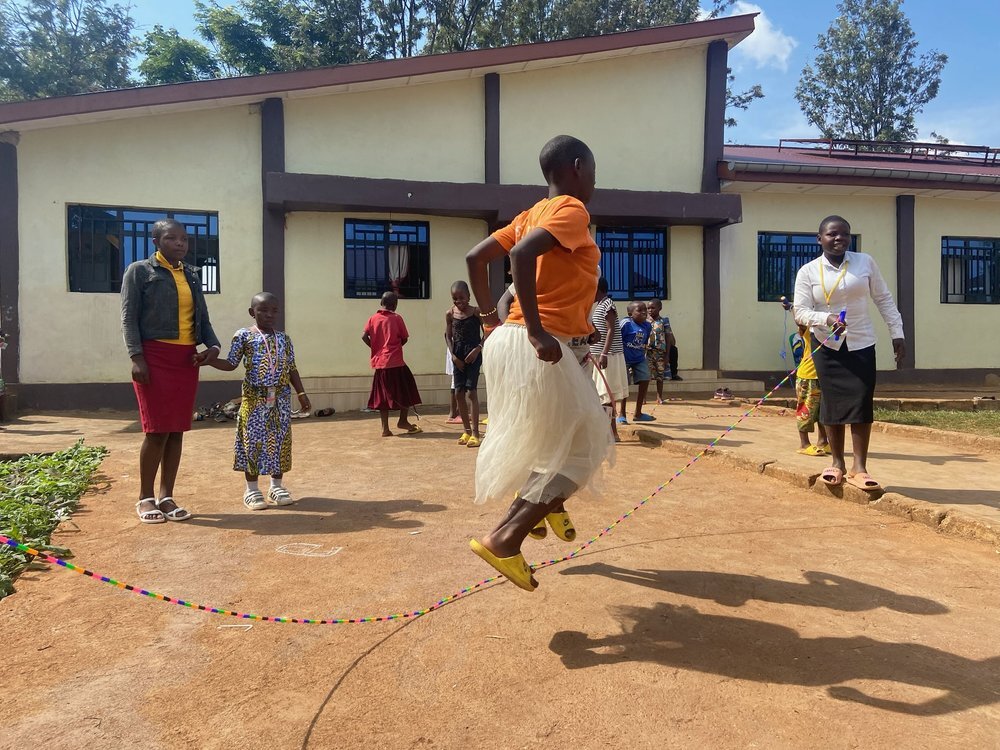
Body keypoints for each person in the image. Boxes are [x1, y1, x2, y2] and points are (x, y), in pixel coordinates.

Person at [464, 134, 613, 592]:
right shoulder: (571, 209)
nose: (593, 180)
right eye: (592, 169)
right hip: (537, 341)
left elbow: (476, 258)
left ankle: (535, 514)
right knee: (590, 443)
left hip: (510, 340)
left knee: (556, 439)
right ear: (575, 166)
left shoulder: (529, 214)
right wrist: (534, 328)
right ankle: (505, 538)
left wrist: (491, 318)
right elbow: (520, 255)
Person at [793, 215, 905, 491]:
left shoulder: (864, 262)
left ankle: (860, 467)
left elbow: (883, 298)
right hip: (827, 346)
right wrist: (826, 319)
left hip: (861, 342)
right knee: (831, 403)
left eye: (844, 234)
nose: (838, 238)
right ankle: (837, 463)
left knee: (861, 400)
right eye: (831, 234)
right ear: (819, 239)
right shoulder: (808, 271)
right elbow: (801, 311)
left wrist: (897, 332)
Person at [121, 218, 221, 524]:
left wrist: (212, 347)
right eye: (171, 238)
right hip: (154, 357)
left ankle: (166, 496)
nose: (180, 243)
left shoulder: (191, 274)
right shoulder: (139, 271)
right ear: (156, 242)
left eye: (184, 239)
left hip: (185, 359)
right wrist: (137, 357)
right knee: (156, 430)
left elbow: (201, 315)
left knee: (176, 429)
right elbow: (129, 318)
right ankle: (145, 498)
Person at [203, 293, 310, 510]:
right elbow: (231, 363)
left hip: (280, 399)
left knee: (279, 441)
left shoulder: (284, 339)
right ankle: (251, 490)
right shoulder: (243, 336)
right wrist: (210, 362)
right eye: (263, 310)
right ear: (252, 313)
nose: (269, 314)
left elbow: (291, 368)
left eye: (274, 310)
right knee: (253, 442)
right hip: (254, 399)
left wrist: (301, 393)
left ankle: (276, 486)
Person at [363, 291, 422, 437]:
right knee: (407, 389)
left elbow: (364, 336)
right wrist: (395, 347)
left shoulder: (372, 319)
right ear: (395, 305)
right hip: (396, 362)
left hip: (380, 365)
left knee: (382, 396)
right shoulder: (397, 318)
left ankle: (385, 428)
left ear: (381, 304)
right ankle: (403, 421)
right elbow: (404, 338)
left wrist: (376, 348)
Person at [445, 280, 484, 447]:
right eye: (455, 298)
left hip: (473, 354)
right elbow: (448, 336)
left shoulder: (476, 312)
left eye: (461, 297)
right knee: (459, 392)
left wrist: (477, 349)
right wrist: (453, 356)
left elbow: (488, 331)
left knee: (471, 392)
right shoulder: (450, 314)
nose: (458, 301)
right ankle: (466, 431)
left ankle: (476, 433)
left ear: (468, 296)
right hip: (458, 355)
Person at [589, 277, 628, 442]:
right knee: (600, 396)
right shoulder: (597, 306)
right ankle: (607, 432)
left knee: (606, 396)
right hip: (597, 356)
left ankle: (612, 433)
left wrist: (604, 354)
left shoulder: (607, 304)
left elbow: (611, 330)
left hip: (608, 356)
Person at [792, 323, 830, 457]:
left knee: (823, 411)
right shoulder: (809, 325)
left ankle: (823, 441)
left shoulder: (832, 325)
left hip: (824, 375)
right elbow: (799, 317)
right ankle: (804, 443)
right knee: (806, 410)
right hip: (808, 375)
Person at [619, 301, 655, 423]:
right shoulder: (625, 324)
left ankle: (638, 413)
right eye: (640, 310)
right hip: (624, 358)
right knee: (624, 385)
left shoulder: (647, 325)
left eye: (645, 310)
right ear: (630, 313)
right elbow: (617, 339)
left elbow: (644, 342)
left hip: (639, 358)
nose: (644, 312)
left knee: (645, 378)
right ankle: (621, 413)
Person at [645, 299, 674, 404]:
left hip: (660, 352)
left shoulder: (664, 321)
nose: (650, 310)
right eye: (648, 308)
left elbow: (668, 337)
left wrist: (667, 355)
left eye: (653, 308)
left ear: (660, 308)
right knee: (646, 375)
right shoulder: (644, 321)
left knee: (660, 375)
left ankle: (659, 397)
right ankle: (643, 398)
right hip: (647, 352)